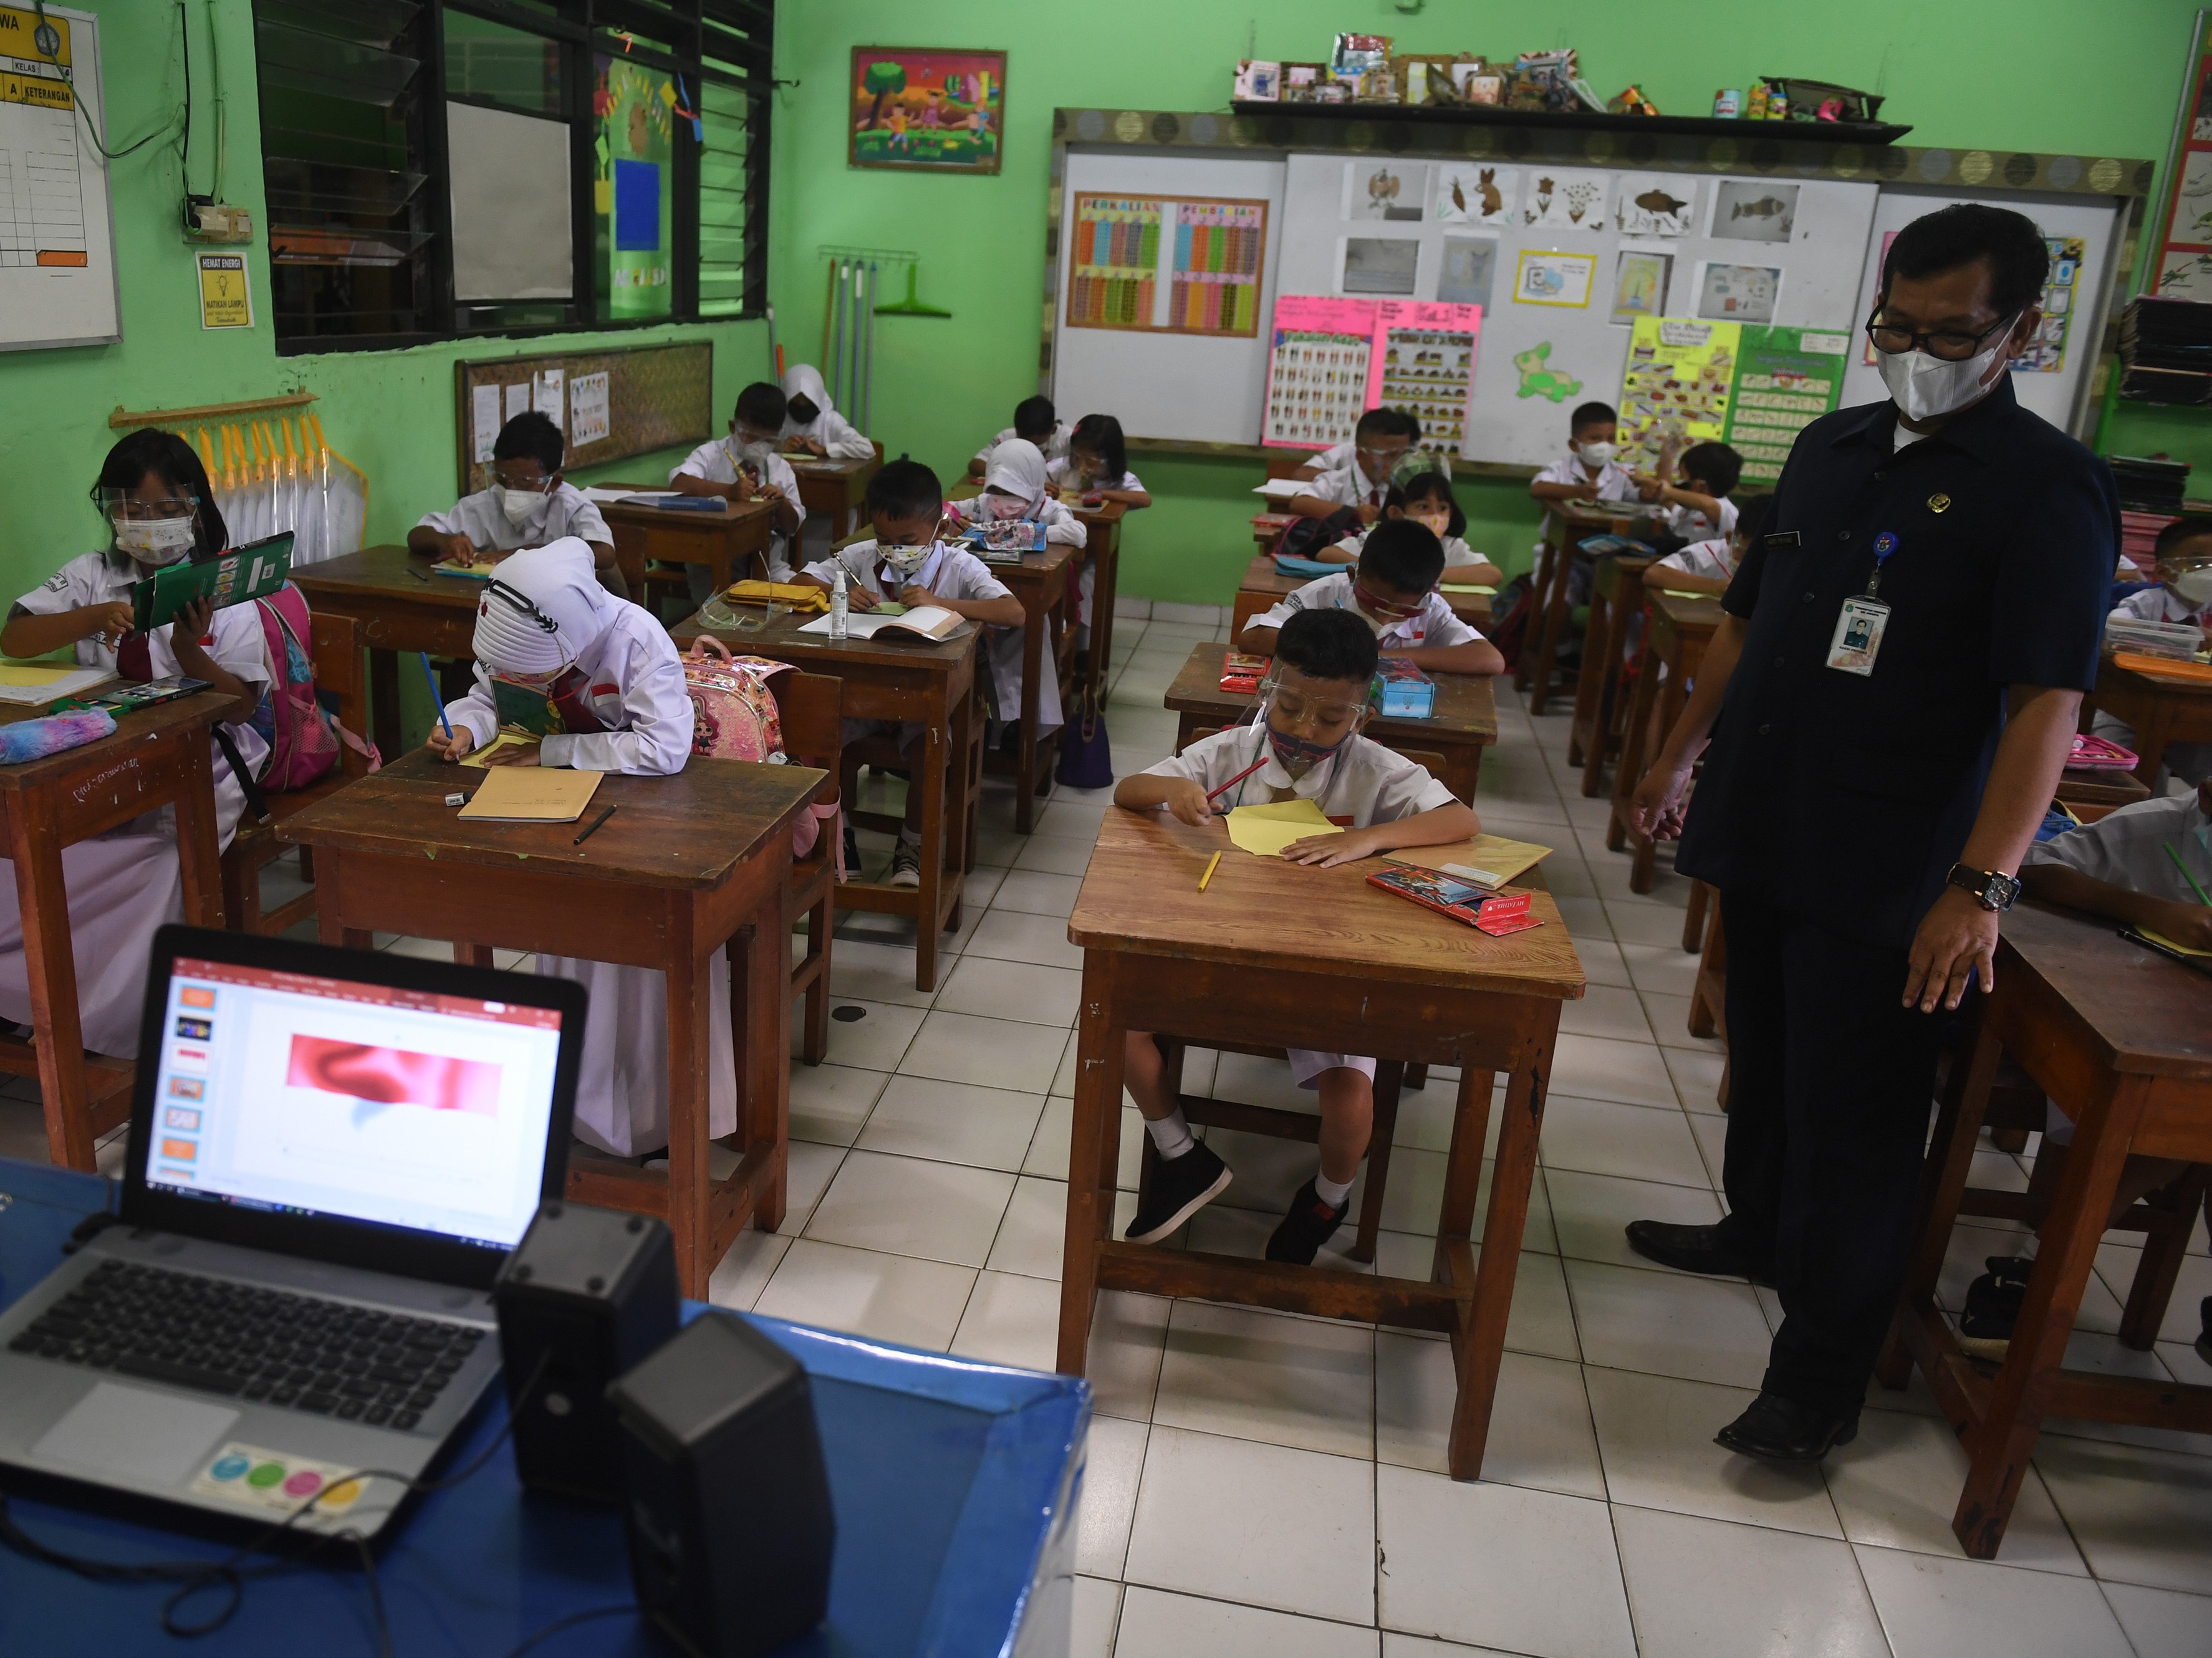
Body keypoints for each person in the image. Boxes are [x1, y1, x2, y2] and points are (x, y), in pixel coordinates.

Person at [1620, 203, 2117, 1462]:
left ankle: (1815, 1383)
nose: (1913, 352)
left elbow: (2046, 705)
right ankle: (1754, 1226)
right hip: (1766, 814)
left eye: (1949, 333)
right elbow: (1746, 621)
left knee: (1858, 1116)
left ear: (2018, 333)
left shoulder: (2048, 487)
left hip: (1894, 857)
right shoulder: (1829, 446)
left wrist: (1979, 887)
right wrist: (1676, 754)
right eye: (1894, 325)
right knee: (1764, 1055)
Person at [1111, 608, 1478, 1262]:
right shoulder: (1232, 751)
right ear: (1267, 689)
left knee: (1350, 1097)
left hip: (1327, 965)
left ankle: (1327, 1200)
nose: (1304, 732)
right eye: (1288, 708)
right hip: (1225, 947)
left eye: (1331, 719)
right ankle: (1181, 1154)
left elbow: (1460, 821)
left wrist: (1367, 838)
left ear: (1361, 716)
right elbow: (1128, 791)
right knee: (1118, 1022)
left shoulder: (1375, 771)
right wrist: (1172, 790)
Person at [426, 540, 704, 1159]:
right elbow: (488, 694)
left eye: (536, 672)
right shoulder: (519, 629)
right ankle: (579, 1103)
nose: (526, 682)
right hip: (557, 814)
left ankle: (649, 1113)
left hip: (645, 823)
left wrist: (552, 751)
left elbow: (664, 749)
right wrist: (466, 724)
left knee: (631, 962)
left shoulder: (635, 639)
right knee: (565, 939)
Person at [0, 430, 272, 1056]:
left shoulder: (222, 588)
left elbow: (241, 706)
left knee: (161, 859)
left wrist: (187, 649)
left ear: (194, 507)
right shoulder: (93, 575)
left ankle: (110, 1019)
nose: (147, 522)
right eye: (130, 508)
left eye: (163, 508)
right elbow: (16, 638)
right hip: (101, 752)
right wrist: (93, 617)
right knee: (38, 844)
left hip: (203, 759)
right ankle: (36, 996)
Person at [1945, 780, 2212, 1354]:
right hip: (2120, 1033)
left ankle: (2032, 1274)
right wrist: (2159, 912)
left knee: (2185, 1122)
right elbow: (2033, 870)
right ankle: (2035, 1274)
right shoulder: (2156, 830)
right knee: (2168, 1124)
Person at [792, 461, 1026, 888]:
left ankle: (912, 844)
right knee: (817, 736)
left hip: (929, 705)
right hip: (862, 697)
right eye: (885, 539)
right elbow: (800, 581)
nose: (894, 549)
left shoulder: (958, 565)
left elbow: (1013, 612)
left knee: (929, 750)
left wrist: (942, 603)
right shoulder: (861, 557)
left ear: (939, 526)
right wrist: (840, 592)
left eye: (908, 541)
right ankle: (840, 835)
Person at [1238, 519, 1505, 678]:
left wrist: (1380, 657)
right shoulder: (1327, 593)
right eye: (1375, 602)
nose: (1385, 618)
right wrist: (1346, 652)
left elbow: (1491, 659)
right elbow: (1254, 637)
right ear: (1353, 575)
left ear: (1428, 594)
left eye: (1404, 611)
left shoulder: (1431, 608)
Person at [408, 410, 624, 599]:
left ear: (554, 483)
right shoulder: (484, 504)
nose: (510, 490)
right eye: (502, 480)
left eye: (524, 484)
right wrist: (446, 541)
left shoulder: (570, 505)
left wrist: (526, 553)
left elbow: (605, 554)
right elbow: (416, 536)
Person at [2090, 515, 2212, 784]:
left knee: (2206, 778)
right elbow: (2114, 632)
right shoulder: (2144, 604)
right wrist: (2186, 637)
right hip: (2129, 708)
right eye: (2198, 563)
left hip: (2193, 713)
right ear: (2165, 572)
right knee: (2116, 775)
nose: (2209, 572)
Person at [668, 382, 804, 588]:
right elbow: (679, 483)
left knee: (795, 600)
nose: (759, 445)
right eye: (752, 437)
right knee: (725, 605)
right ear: (734, 427)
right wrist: (729, 491)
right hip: (713, 565)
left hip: (768, 565)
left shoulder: (780, 468)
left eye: (768, 440)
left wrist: (781, 503)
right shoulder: (712, 454)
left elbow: (793, 526)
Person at [1320, 471, 1504, 586]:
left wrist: (1437, 574)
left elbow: (1493, 574)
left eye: (1443, 508)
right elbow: (1327, 554)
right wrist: (1377, 568)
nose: (1435, 515)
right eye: (1423, 507)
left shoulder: (1450, 545)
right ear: (1396, 513)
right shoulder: (1382, 539)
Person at [1286, 408, 1416, 524]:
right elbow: (1299, 503)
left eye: (1404, 454)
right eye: (1390, 455)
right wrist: (1353, 514)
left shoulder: (1402, 487)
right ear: (1361, 455)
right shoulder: (1338, 481)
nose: (1399, 462)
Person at [1642, 495, 1774, 599]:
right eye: (1742, 552)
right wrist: (1714, 586)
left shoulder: (1779, 564)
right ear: (1730, 537)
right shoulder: (1709, 553)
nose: (1744, 559)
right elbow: (1654, 574)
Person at [1529, 401, 1638, 506]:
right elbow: (1537, 489)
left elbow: (1640, 497)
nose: (1605, 445)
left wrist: (1646, 488)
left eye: (1611, 439)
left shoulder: (1623, 472)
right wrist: (1578, 491)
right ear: (1574, 445)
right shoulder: (1560, 468)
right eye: (1595, 438)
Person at [1636, 439, 1743, 544]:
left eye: (1683, 479)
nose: (1681, 483)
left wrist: (1669, 492)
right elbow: (1667, 499)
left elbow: (1709, 505)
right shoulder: (1691, 511)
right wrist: (1666, 459)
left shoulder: (1726, 509)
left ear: (1700, 484)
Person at [1046, 414, 1150, 508]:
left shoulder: (1119, 478)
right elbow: (1037, 481)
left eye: (1090, 462)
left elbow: (1145, 500)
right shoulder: (1062, 467)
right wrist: (1043, 487)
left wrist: (1101, 493)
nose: (1082, 467)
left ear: (1111, 459)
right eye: (1077, 457)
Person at [777, 363, 874, 461]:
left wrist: (825, 450)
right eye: (796, 401)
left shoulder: (830, 420)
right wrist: (780, 446)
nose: (802, 405)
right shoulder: (780, 419)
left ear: (817, 399)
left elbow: (867, 449)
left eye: (807, 401)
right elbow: (767, 446)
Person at [969, 395, 1070, 477]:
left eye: (1036, 444)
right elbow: (976, 464)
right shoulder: (1006, 437)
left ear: (1053, 430)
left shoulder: (1068, 439)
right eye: (1024, 441)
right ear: (1017, 430)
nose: (1030, 447)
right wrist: (1012, 478)